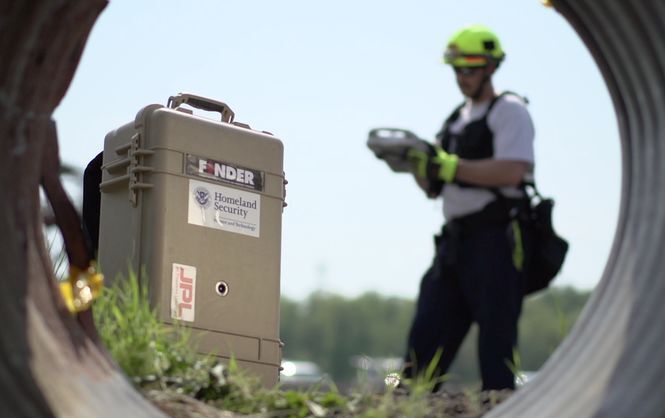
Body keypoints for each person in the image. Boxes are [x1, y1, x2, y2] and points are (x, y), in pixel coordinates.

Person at [402, 24, 535, 391]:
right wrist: (415, 164)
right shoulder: (455, 120)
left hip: (495, 244)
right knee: (422, 348)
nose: (463, 77)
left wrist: (451, 166)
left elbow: (513, 168)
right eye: (457, 69)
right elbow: (434, 187)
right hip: (454, 247)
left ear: (491, 67)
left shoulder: (508, 110)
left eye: (470, 68)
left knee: (496, 352)